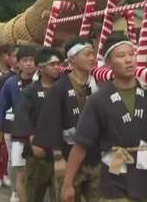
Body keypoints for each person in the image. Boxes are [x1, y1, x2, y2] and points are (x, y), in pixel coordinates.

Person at [62, 34, 147, 202]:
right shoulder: (98, 100)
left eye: (132, 54)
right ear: (109, 63)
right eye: (121, 56)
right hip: (115, 178)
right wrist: (68, 182)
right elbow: (81, 144)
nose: (129, 60)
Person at [33, 37, 100, 202]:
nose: (92, 58)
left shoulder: (98, 84)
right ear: (72, 59)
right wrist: (58, 157)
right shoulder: (59, 88)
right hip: (68, 154)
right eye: (87, 54)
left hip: (96, 156)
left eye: (94, 54)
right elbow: (52, 122)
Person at [0, 45, 37, 202]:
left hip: (37, 129)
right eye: (24, 60)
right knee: (15, 163)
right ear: (17, 64)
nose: (28, 64)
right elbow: (0, 104)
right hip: (14, 128)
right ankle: (15, 190)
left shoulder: (42, 81)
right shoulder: (11, 82)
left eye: (32, 60)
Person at [16, 47, 63, 201]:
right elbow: (23, 119)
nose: (57, 67)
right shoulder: (29, 92)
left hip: (61, 153)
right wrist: (33, 141)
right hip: (37, 154)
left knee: (60, 195)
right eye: (53, 64)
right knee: (34, 195)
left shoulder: (64, 89)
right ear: (41, 68)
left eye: (59, 63)